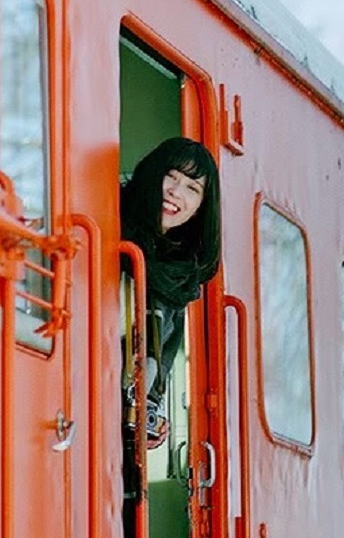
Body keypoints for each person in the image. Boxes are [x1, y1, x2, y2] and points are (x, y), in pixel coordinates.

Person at [120, 136, 222, 451]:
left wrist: (150, 414)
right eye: (171, 176)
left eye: (193, 188)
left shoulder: (177, 282)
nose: (176, 192)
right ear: (153, 175)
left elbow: (154, 368)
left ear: (201, 207)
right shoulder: (112, 225)